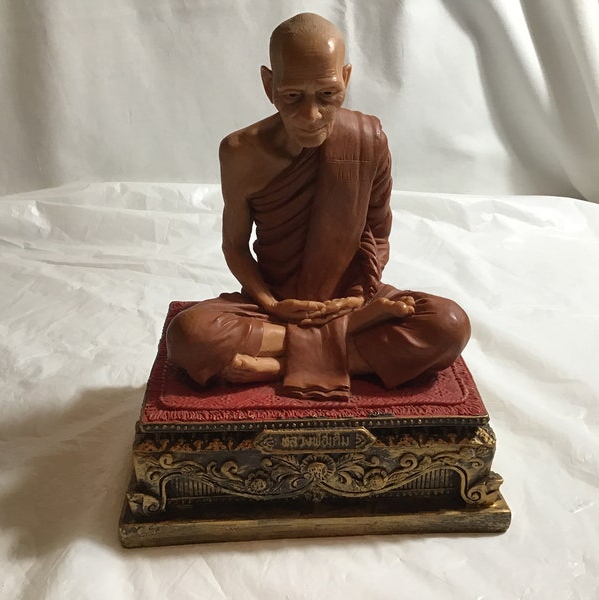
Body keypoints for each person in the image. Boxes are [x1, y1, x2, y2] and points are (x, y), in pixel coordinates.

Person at [166, 13, 470, 400]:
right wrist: (272, 303)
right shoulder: (240, 152)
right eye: (292, 96)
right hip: (275, 303)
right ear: (268, 83)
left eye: (327, 95)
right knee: (189, 336)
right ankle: (350, 341)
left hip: (351, 297)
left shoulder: (368, 139)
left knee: (449, 324)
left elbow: (377, 234)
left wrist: (359, 298)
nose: (311, 116)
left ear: (345, 78)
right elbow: (234, 246)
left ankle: (278, 365)